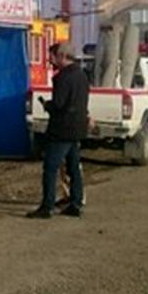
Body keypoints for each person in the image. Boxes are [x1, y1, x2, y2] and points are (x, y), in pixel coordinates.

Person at [28, 42, 89, 219]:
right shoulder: (82, 75)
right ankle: (76, 203)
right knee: (74, 168)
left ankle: (47, 207)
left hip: (61, 130)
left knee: (50, 168)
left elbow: (59, 104)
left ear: (62, 56)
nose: (50, 61)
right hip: (77, 128)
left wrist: (48, 105)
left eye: (52, 57)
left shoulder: (62, 78)